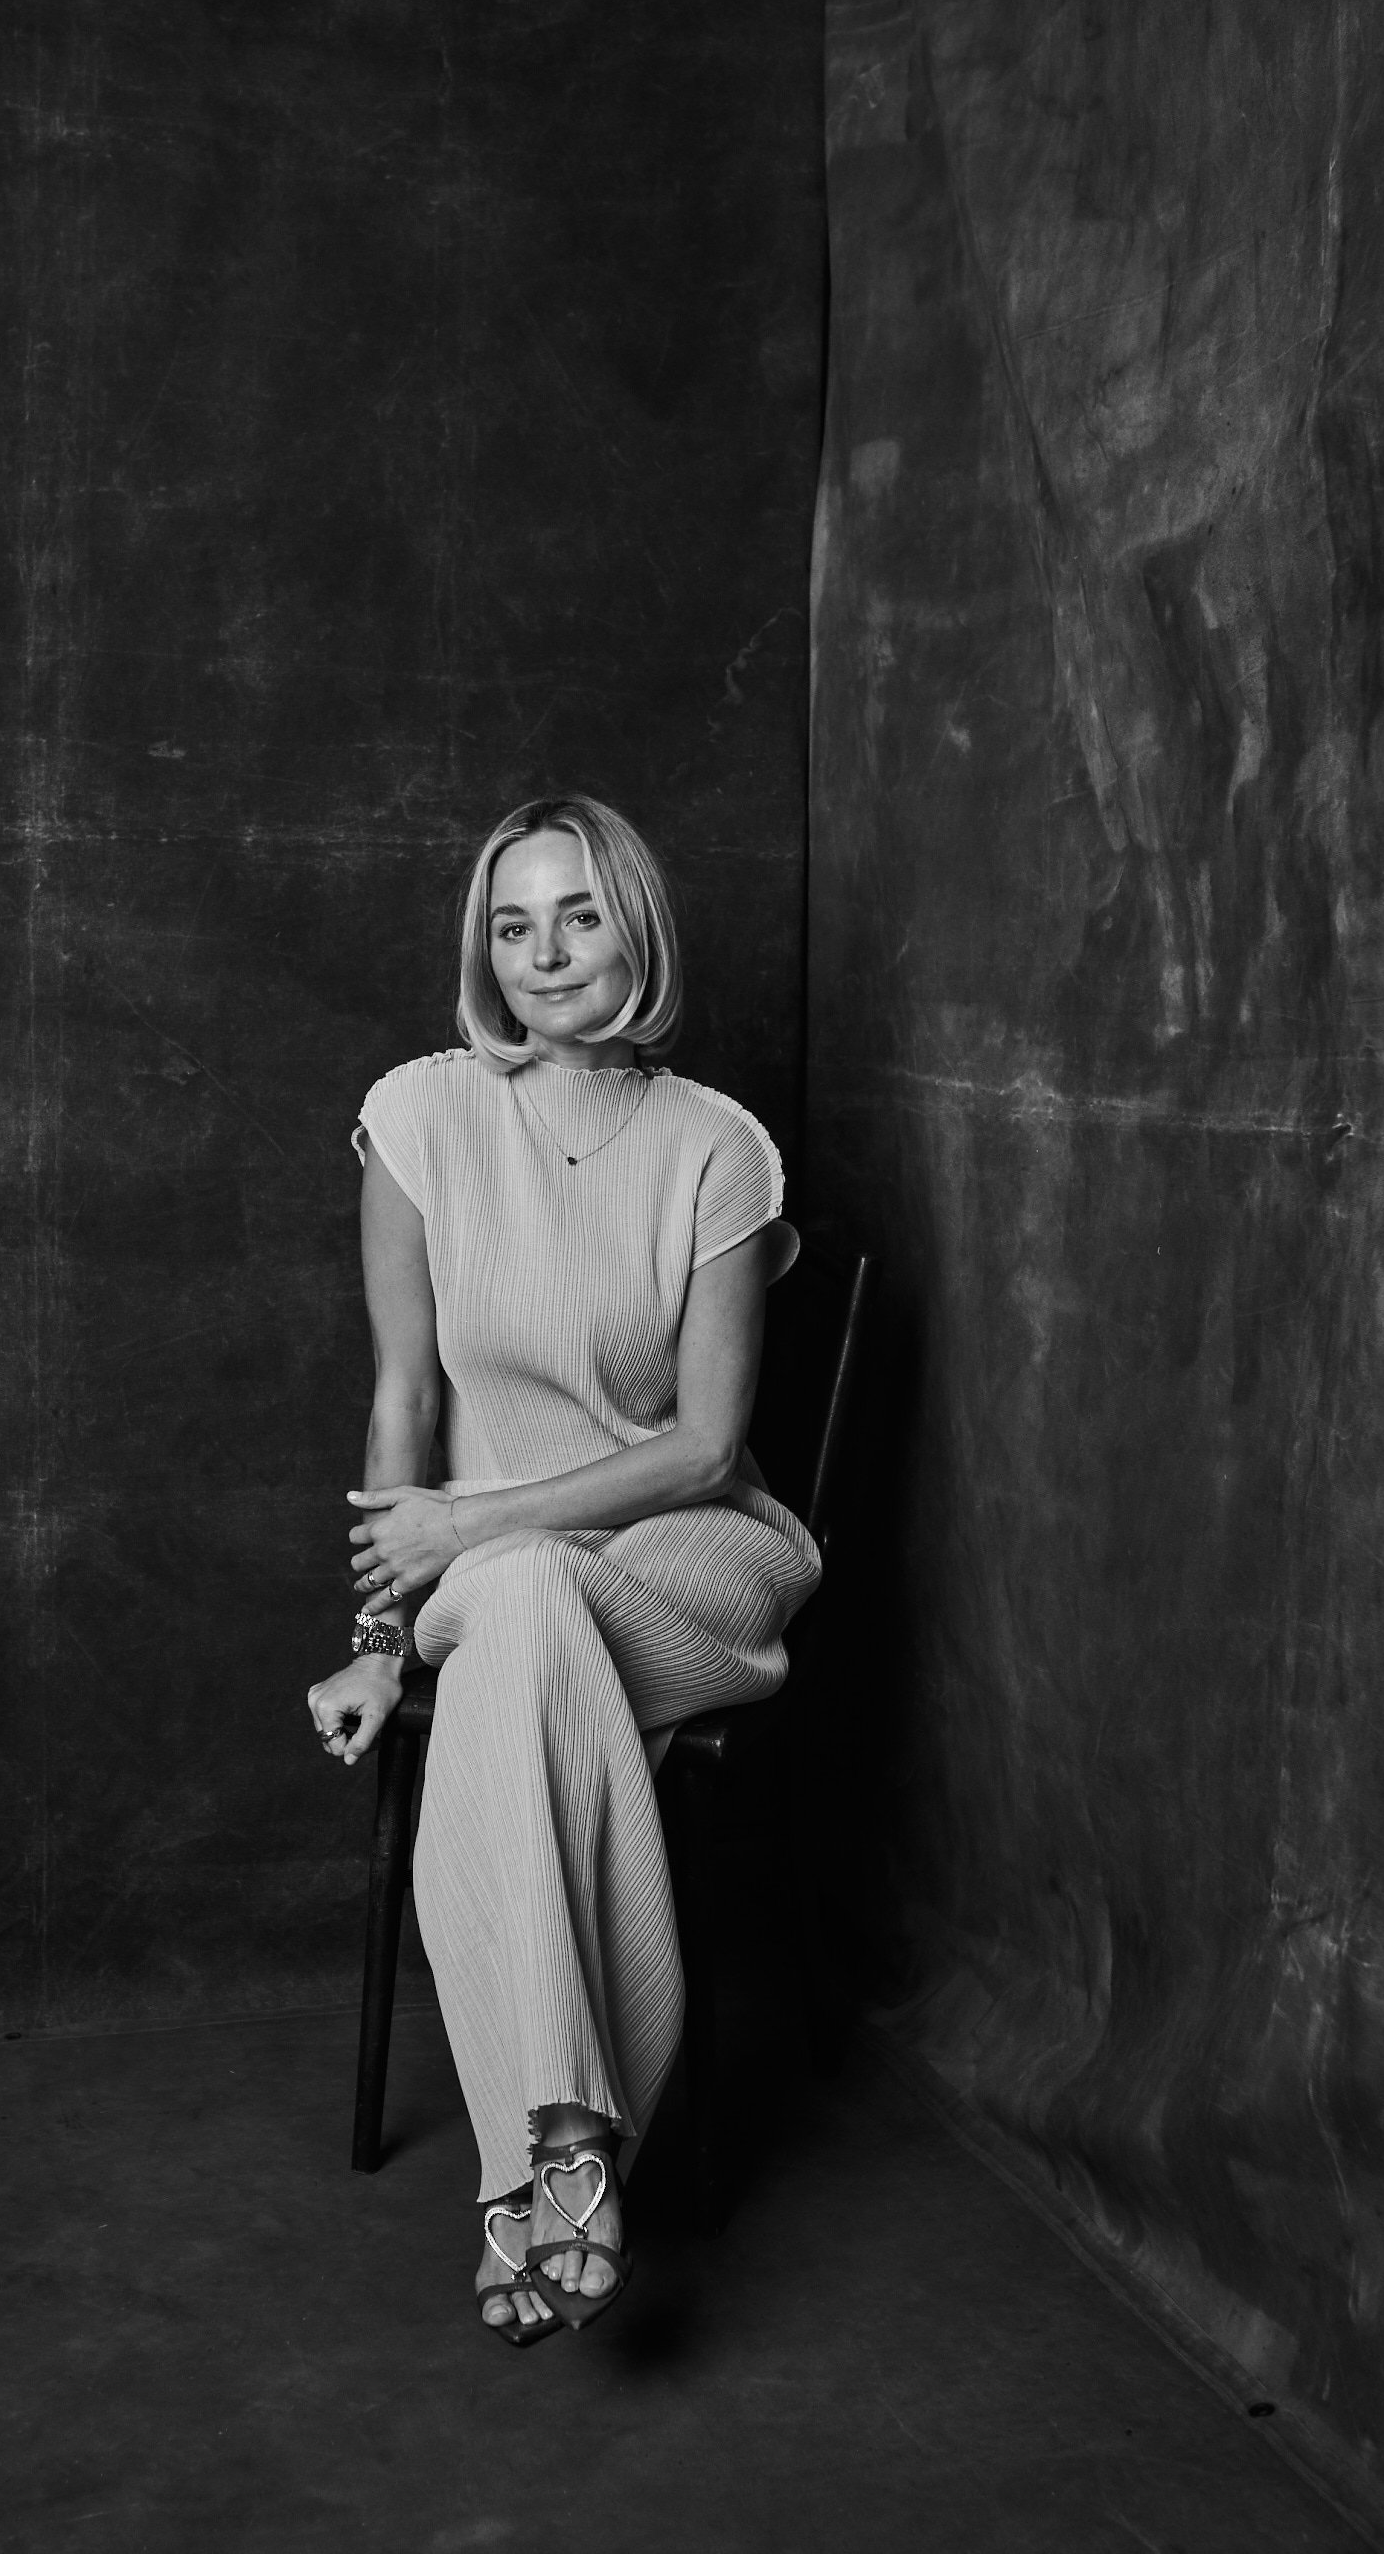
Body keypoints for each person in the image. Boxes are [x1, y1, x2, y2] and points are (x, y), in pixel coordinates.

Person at [304, 795, 820, 2344]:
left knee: (521, 1610)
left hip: (690, 1561)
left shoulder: (719, 1148)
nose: (543, 952)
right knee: (524, 1604)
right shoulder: (419, 1116)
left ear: (635, 927)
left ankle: (539, 2171)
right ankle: (571, 2144)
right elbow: (405, 1399)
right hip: (503, 1572)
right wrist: (379, 1640)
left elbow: (708, 1450)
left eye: (579, 913)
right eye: (511, 923)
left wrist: (469, 1529)